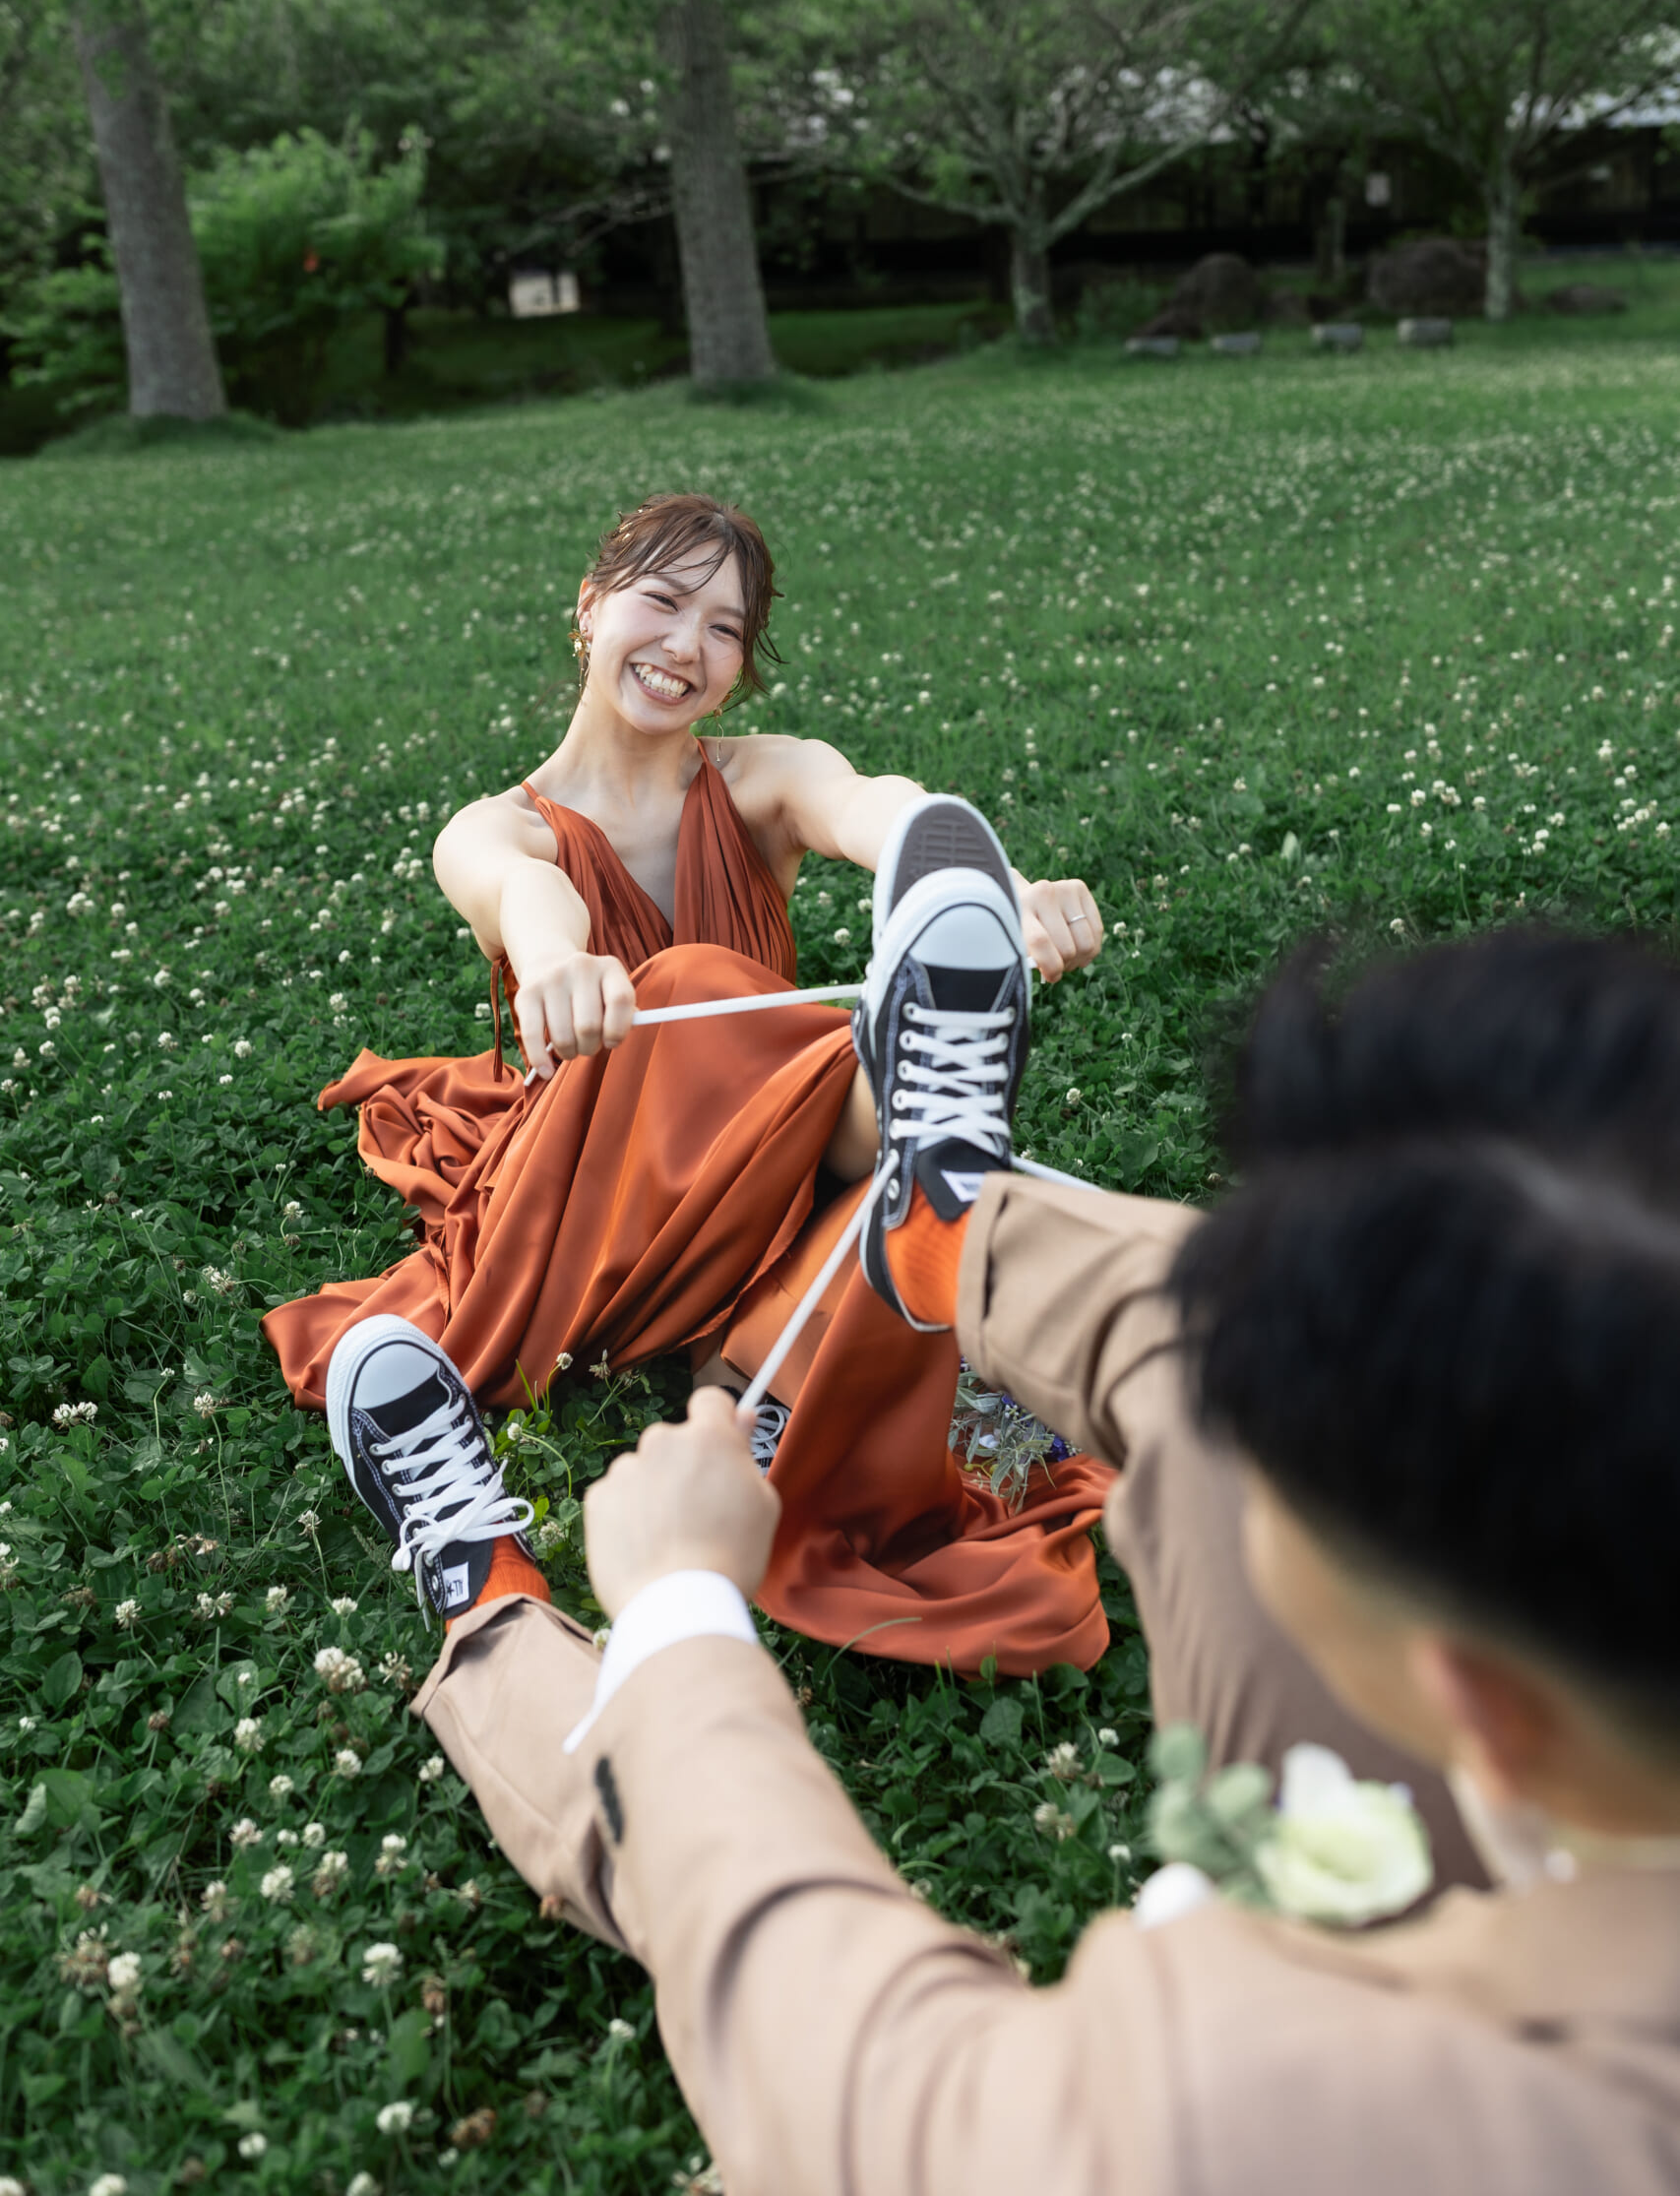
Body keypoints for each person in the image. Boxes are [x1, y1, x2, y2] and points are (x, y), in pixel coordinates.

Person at [334, 837, 1680, 2195]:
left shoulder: (1253, 2114)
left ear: (1477, 1715)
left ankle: (482, 1595)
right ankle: (944, 1215)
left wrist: (680, 1609)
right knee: (1211, 1362)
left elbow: (857, 2073)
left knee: (695, 1839)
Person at [268, 494, 1117, 1673]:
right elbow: (522, 891)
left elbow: (870, 804)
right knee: (684, 986)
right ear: (589, 607)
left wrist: (980, 881)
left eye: (725, 628)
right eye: (663, 602)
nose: (686, 645)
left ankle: (913, 1130)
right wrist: (557, 965)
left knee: (953, 1224)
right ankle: (910, 1096)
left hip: (777, 1182)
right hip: (595, 1204)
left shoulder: (763, 781)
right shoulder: (496, 830)